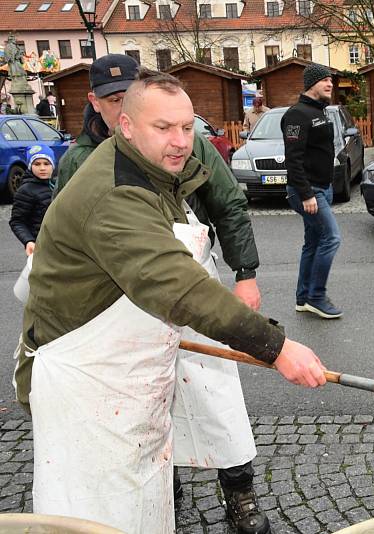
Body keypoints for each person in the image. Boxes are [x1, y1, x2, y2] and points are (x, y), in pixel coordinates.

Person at [21, 70, 327, 534]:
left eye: (187, 127)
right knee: (96, 516)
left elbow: (222, 214)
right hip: (84, 383)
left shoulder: (152, 168)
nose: (180, 141)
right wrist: (278, 347)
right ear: (126, 126)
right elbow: (179, 286)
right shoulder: (115, 193)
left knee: (145, 502)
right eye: (162, 128)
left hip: (125, 375)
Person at [281, 63, 342, 319]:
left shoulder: (320, 111)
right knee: (332, 238)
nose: (330, 84)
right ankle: (317, 297)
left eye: (331, 80)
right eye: (325, 80)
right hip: (308, 192)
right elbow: (292, 159)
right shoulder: (298, 115)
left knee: (313, 243)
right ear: (311, 84)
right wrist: (306, 194)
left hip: (322, 189)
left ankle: (303, 297)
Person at [9, 145, 54, 255]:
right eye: (37, 164)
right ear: (30, 166)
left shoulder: (56, 185)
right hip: (40, 247)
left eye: (46, 164)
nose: (42, 168)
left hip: (59, 245)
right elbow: (17, 221)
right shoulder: (26, 190)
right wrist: (28, 241)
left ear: (53, 165)